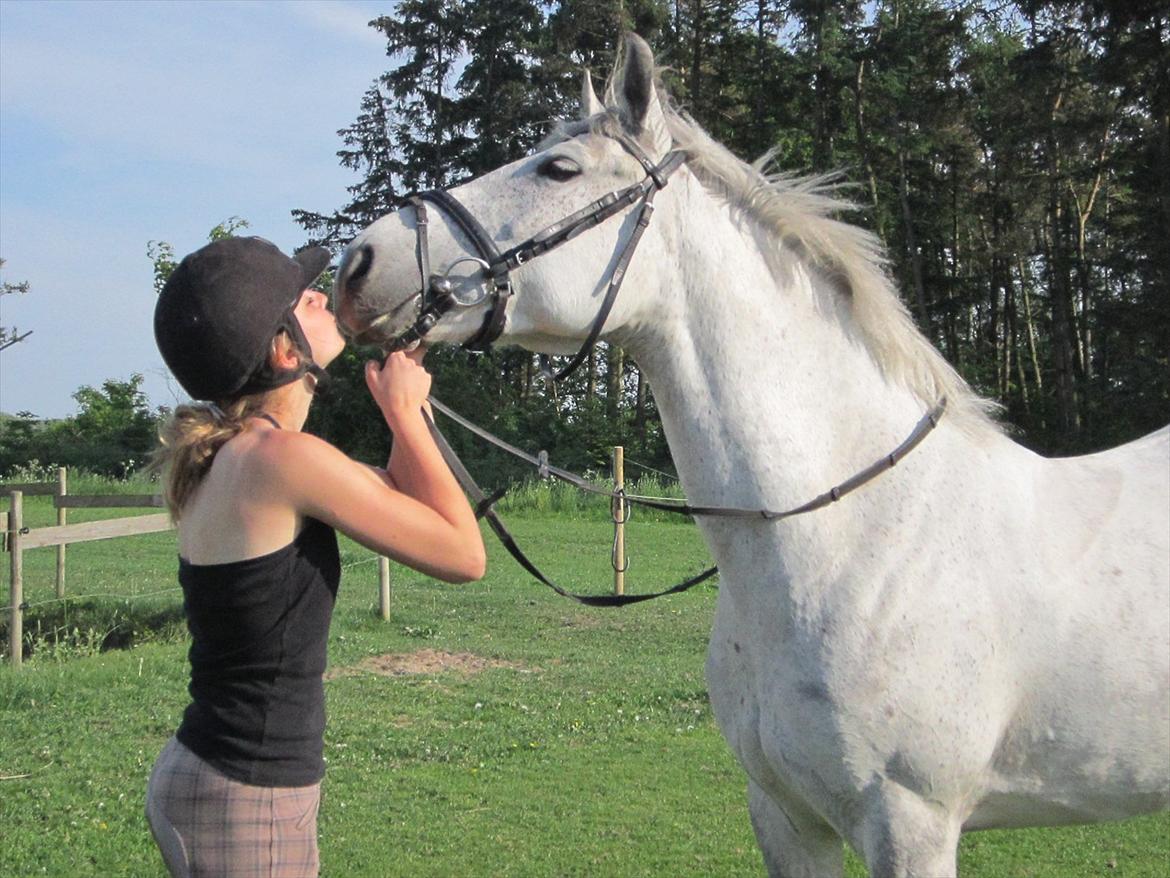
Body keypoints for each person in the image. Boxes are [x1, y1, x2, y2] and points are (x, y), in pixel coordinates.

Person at [145, 236, 485, 877]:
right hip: (248, 795)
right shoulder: (281, 459)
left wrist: (402, 409)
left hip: (222, 775)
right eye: (302, 298)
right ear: (284, 350)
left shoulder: (243, 454)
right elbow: (463, 554)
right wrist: (404, 414)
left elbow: (408, 502)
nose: (320, 296)